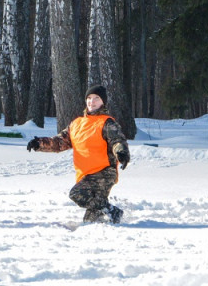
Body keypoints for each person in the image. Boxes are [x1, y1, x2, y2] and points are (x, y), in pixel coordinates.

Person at [26, 84, 131, 224]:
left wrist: (121, 152)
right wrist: (39, 143)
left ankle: (113, 213)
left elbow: (117, 140)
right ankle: (112, 218)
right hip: (85, 174)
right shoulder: (77, 124)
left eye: (96, 98)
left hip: (104, 172)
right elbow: (59, 142)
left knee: (77, 194)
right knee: (91, 219)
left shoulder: (107, 123)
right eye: (89, 98)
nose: (91, 102)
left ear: (103, 102)